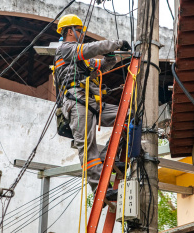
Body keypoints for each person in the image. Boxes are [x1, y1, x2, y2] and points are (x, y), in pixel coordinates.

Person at [54, 14, 131, 201]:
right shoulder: (66, 49)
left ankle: (107, 158)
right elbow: (91, 48)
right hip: (78, 102)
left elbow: (102, 65)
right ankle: (100, 192)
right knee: (88, 149)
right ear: (70, 31)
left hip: (93, 103)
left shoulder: (81, 58)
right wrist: (116, 44)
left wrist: (110, 57)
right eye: (80, 31)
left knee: (129, 116)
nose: (82, 34)